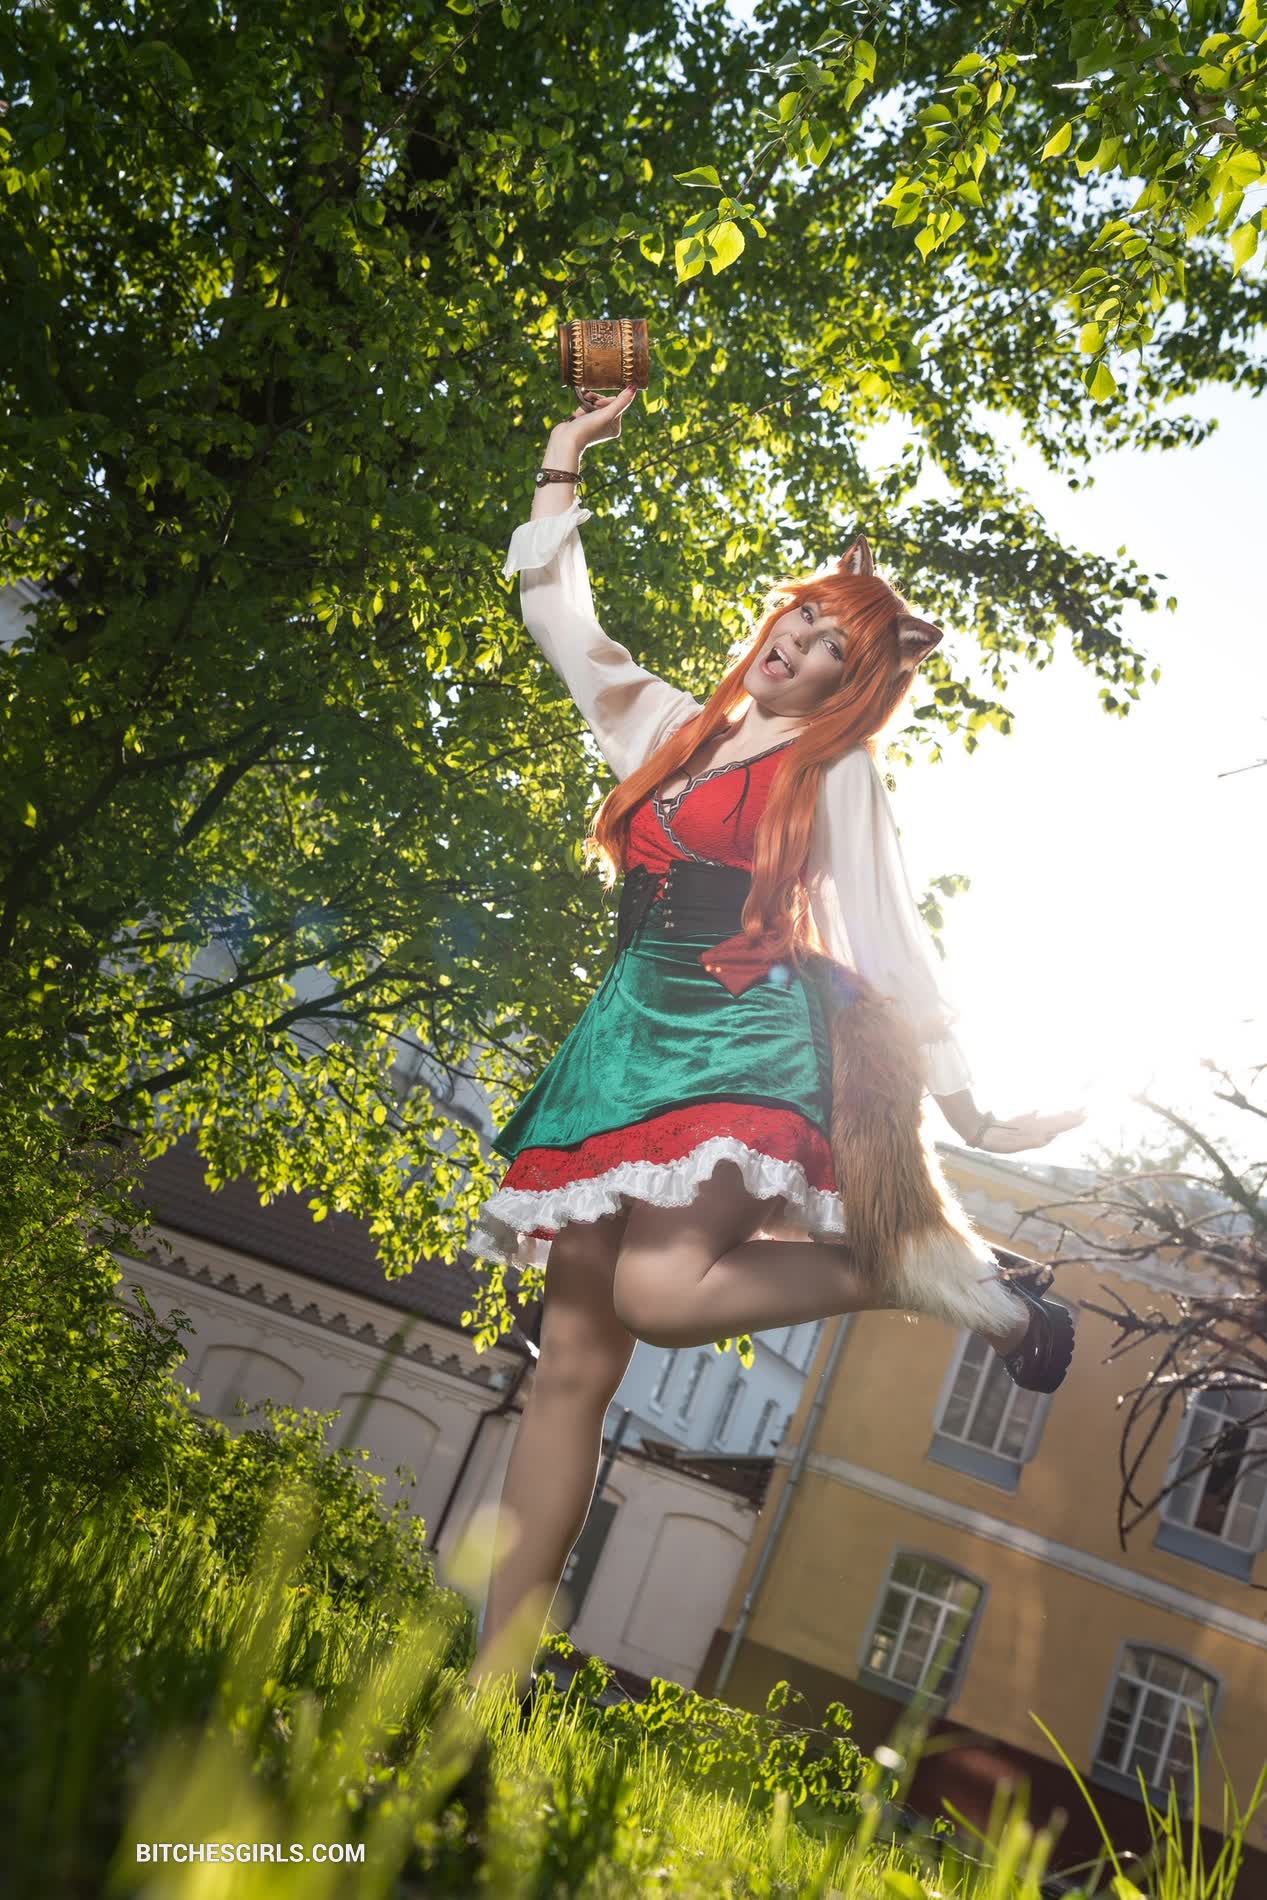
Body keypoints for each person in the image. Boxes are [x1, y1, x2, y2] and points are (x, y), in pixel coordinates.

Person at [466, 384, 1086, 1711]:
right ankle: (489, 1689)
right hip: (622, 1041)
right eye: (795, 622)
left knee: (657, 1296)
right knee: (570, 1366)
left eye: (826, 651)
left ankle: (920, 1270)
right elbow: (557, 616)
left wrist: (970, 1112)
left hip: (740, 1041)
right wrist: (565, 453)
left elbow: (892, 935)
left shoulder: (833, 775)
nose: (792, 648)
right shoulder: (665, 723)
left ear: (852, 689)